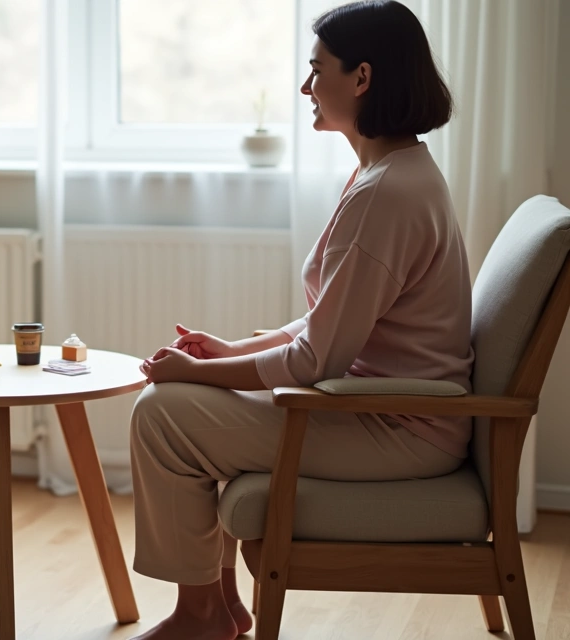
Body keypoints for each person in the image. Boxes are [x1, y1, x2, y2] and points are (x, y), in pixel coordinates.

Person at [128, 2, 470, 639]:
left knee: (163, 412)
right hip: (374, 408)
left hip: (393, 426)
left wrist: (208, 375)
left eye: (317, 71)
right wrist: (225, 353)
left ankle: (200, 617)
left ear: (361, 78)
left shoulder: (385, 194)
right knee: (180, 399)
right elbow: (331, 319)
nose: (306, 87)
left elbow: (318, 360)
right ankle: (220, 608)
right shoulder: (390, 172)